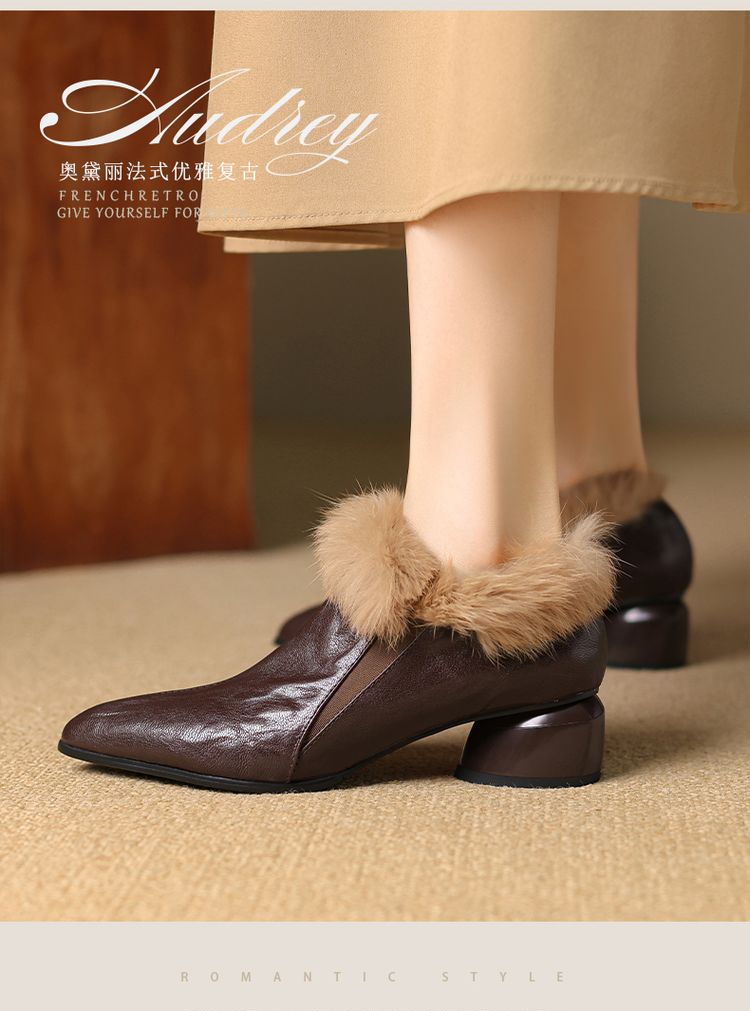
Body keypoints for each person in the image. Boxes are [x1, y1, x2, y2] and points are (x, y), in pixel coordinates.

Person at [58, 12, 748, 793]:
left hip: (470, 597)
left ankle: (479, 555)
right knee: (568, 41)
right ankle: (592, 483)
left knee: (468, 42)